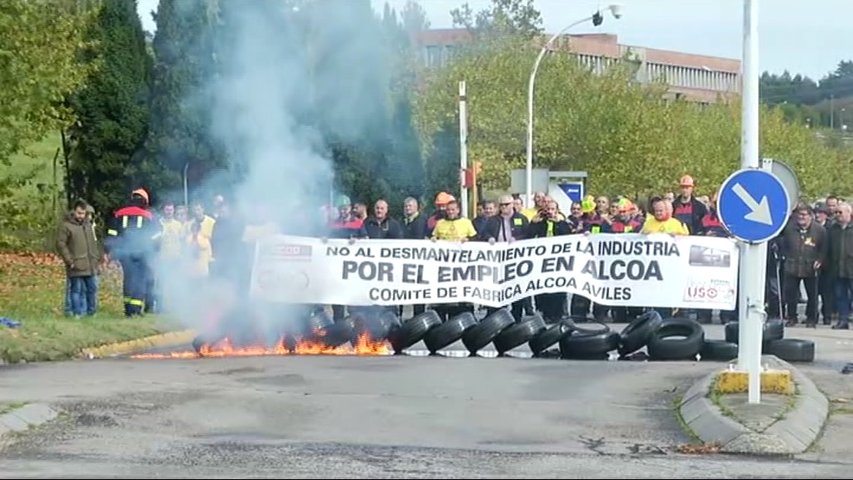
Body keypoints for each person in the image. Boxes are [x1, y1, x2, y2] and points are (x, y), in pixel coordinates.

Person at [104, 188, 161, 317]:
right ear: (145, 201)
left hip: (125, 254)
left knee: (128, 279)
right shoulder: (148, 216)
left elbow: (111, 234)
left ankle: (128, 309)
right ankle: (135, 310)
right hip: (143, 253)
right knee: (140, 280)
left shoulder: (119, 214)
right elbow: (157, 235)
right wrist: (153, 250)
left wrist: (110, 251)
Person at [57, 199, 101, 317]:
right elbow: (61, 244)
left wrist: (96, 259)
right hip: (75, 263)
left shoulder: (88, 226)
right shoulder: (66, 226)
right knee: (75, 290)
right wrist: (69, 260)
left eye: (83, 213)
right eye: (79, 213)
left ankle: (91, 313)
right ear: (74, 212)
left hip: (90, 263)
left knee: (92, 289)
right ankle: (77, 313)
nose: (81, 216)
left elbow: (93, 244)